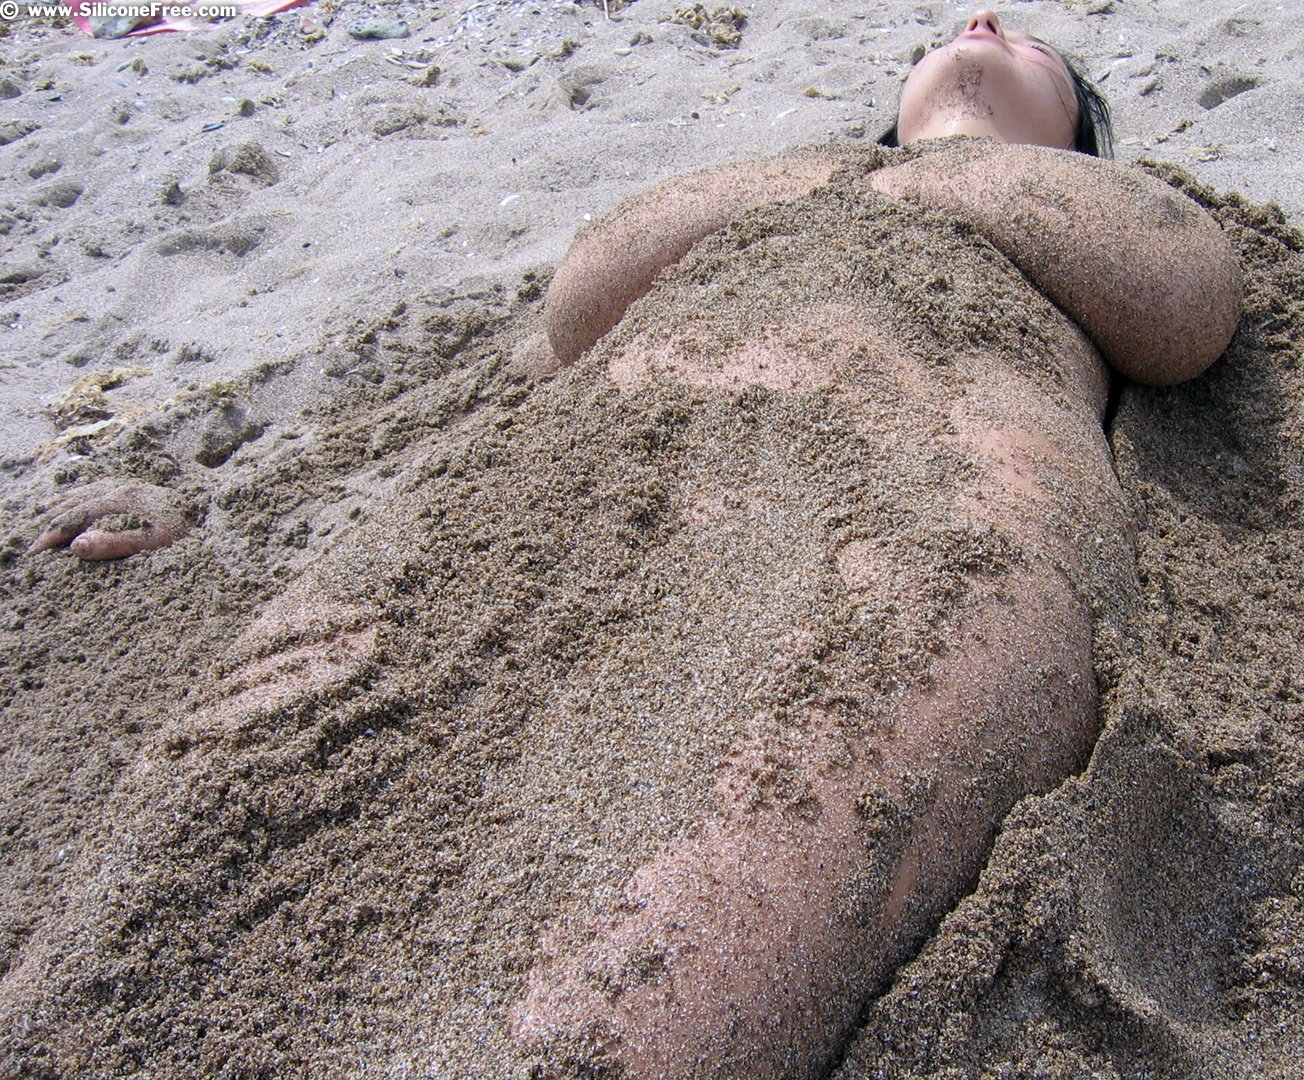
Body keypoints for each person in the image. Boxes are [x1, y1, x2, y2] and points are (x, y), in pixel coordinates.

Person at [22, 9, 1240, 1076]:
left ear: (1077, 139)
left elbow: (1182, 298)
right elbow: (573, 305)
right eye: (960, 30)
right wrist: (219, 518)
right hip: (565, 494)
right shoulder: (816, 181)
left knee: (668, 938)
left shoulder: (1105, 208)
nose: (981, 19)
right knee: (223, 837)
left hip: (933, 505)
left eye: (1034, 46)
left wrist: (899, 180)